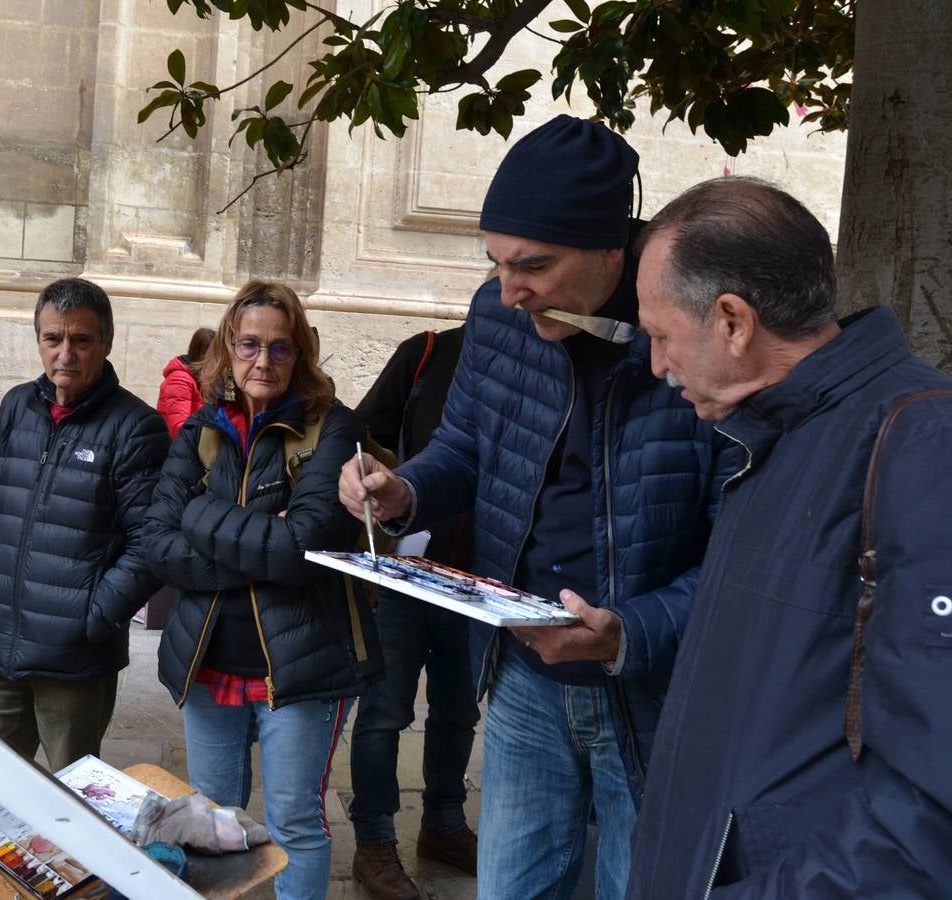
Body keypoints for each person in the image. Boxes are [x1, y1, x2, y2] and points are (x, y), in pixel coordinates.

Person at [338, 115, 733, 900]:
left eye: (534, 266)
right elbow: (465, 448)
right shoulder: (498, 316)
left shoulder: (696, 336)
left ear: (612, 251)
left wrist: (631, 631)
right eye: (495, 263)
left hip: (652, 696)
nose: (508, 291)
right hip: (522, 672)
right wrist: (403, 490)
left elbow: (741, 551)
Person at [625, 177, 952, 899]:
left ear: (733, 321)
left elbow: (930, 809)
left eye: (660, 336)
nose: (656, 365)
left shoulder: (924, 447)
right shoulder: (775, 430)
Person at [145, 279, 384, 900]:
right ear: (229, 346)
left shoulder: (333, 429)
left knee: (294, 823)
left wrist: (200, 515)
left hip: (304, 666)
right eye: (249, 345)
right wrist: (264, 542)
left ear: (300, 354)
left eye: (281, 348)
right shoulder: (202, 430)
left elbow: (303, 545)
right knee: (212, 818)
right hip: (208, 663)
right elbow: (157, 544)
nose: (263, 361)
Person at [0, 277, 169, 818]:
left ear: (107, 342)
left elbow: (150, 543)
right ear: (39, 340)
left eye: (81, 340)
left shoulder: (135, 427)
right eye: (53, 339)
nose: (66, 354)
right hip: (1, 637)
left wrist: (93, 616)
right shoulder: (16, 407)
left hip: (75, 658)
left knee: (71, 800)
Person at [348, 325, 478, 899]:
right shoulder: (428, 352)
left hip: (482, 582)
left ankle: (443, 825)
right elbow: (360, 433)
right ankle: (374, 842)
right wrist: (376, 482)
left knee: (459, 710)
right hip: (407, 572)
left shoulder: (537, 363)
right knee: (384, 711)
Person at [156, 326, 215, 437]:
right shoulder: (180, 380)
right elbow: (179, 428)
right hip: (176, 445)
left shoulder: (201, 377)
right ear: (204, 354)